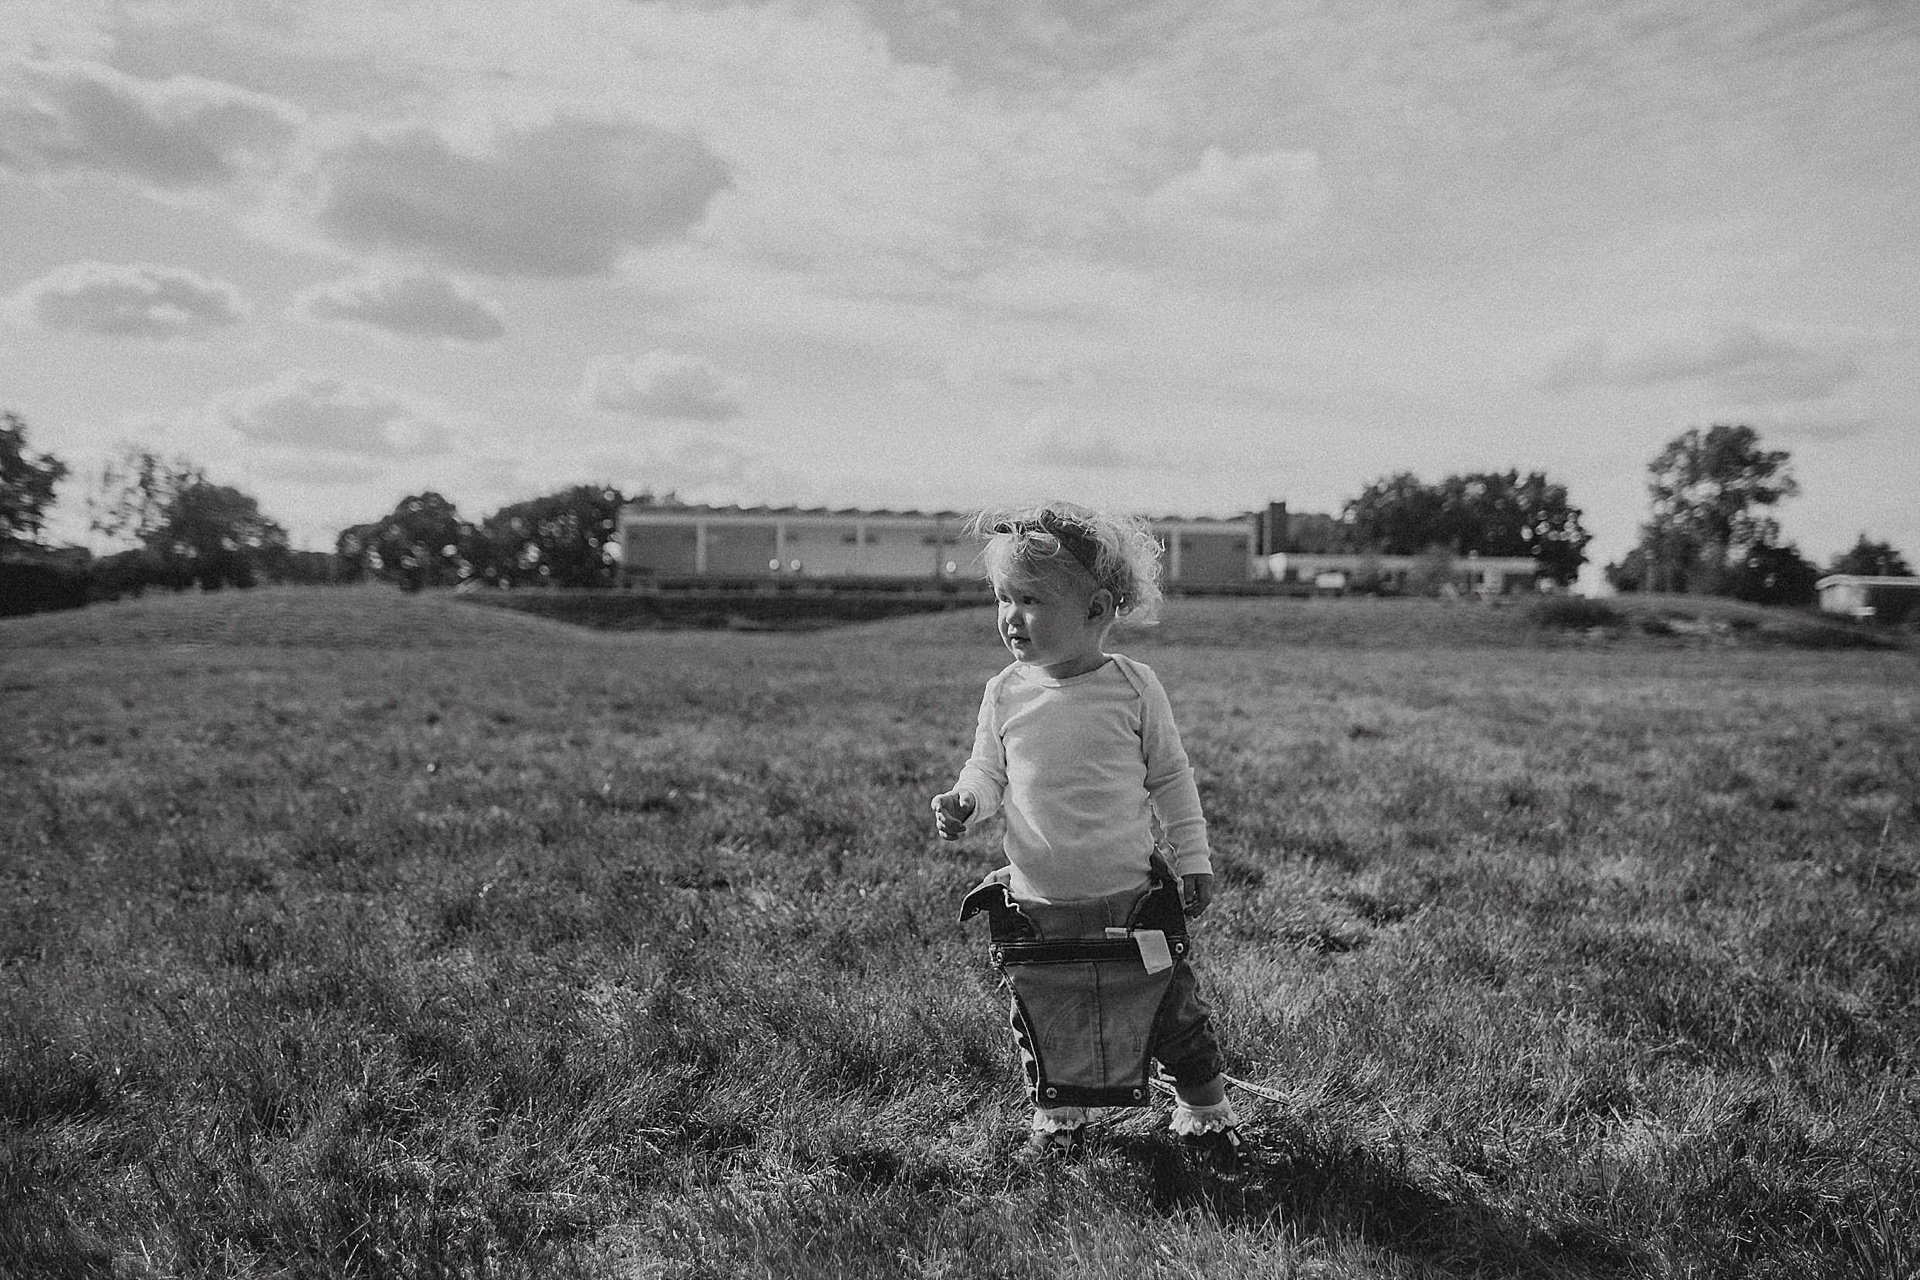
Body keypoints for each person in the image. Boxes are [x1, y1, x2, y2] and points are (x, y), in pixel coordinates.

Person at [930, 503, 1245, 1165]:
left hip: (1129, 895)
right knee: (1045, 1012)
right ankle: (1059, 1114)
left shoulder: (1133, 687)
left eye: (1033, 600)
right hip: (1039, 901)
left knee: (1169, 1011)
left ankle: (1206, 1111)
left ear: (1098, 608)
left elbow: (1172, 777)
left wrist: (1193, 857)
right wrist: (967, 801)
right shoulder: (1006, 691)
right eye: (1004, 599)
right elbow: (988, 769)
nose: (1012, 617)